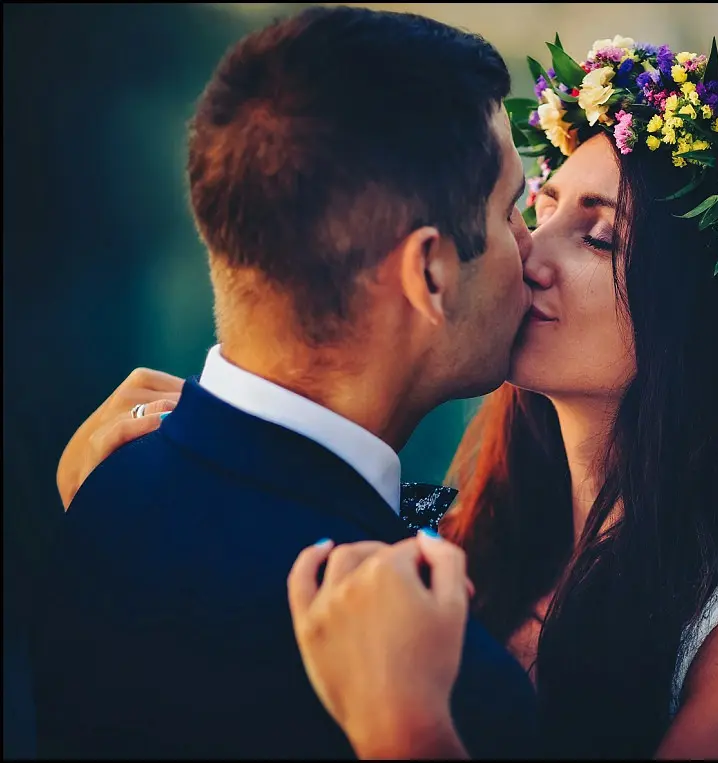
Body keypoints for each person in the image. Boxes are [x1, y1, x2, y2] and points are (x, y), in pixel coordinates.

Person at [59, 28, 718, 760]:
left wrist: (405, 727)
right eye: (535, 208)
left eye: (597, 236)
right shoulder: (467, 532)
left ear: (696, 319)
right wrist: (153, 494)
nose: (529, 253)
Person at [29, 6, 539, 759]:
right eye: (512, 210)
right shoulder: (449, 694)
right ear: (430, 273)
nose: (531, 245)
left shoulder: (95, 497)